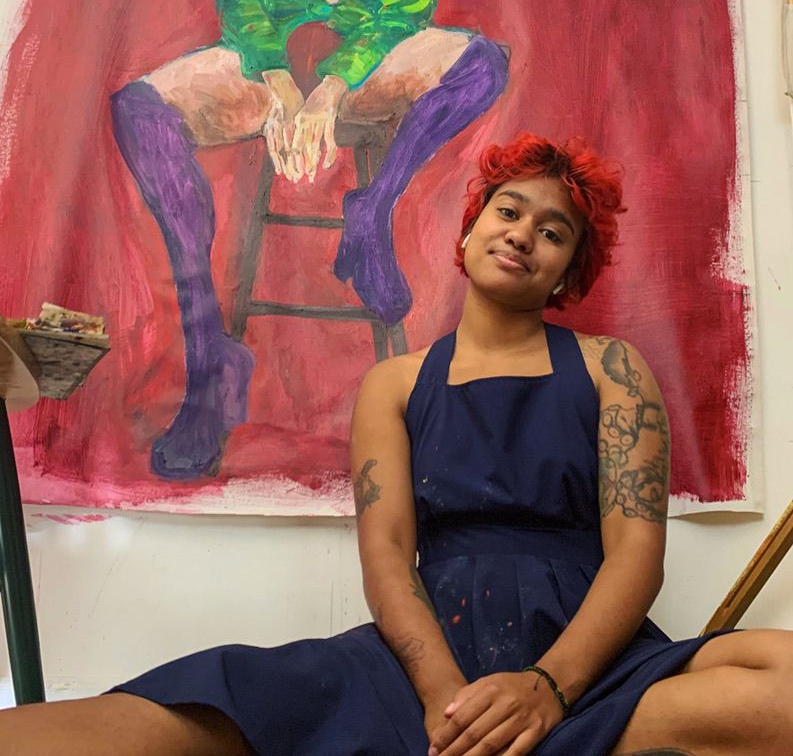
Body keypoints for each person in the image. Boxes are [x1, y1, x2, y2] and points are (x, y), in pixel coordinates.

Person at [2, 131, 792, 756]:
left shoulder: (610, 367)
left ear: (565, 274)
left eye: (553, 232)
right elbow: (386, 555)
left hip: (584, 661)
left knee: (781, 679)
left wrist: (548, 689)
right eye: (509, 211)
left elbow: (635, 557)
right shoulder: (395, 383)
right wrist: (444, 699)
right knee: (154, 716)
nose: (523, 234)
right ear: (470, 227)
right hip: (420, 656)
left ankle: (552, 733)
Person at [109, 0, 508, 481]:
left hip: (366, 73)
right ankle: (209, 359)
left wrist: (328, 93)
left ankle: (372, 208)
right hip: (271, 75)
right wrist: (281, 86)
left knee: (481, 62)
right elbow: (243, 12)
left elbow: (396, 20)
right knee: (139, 107)